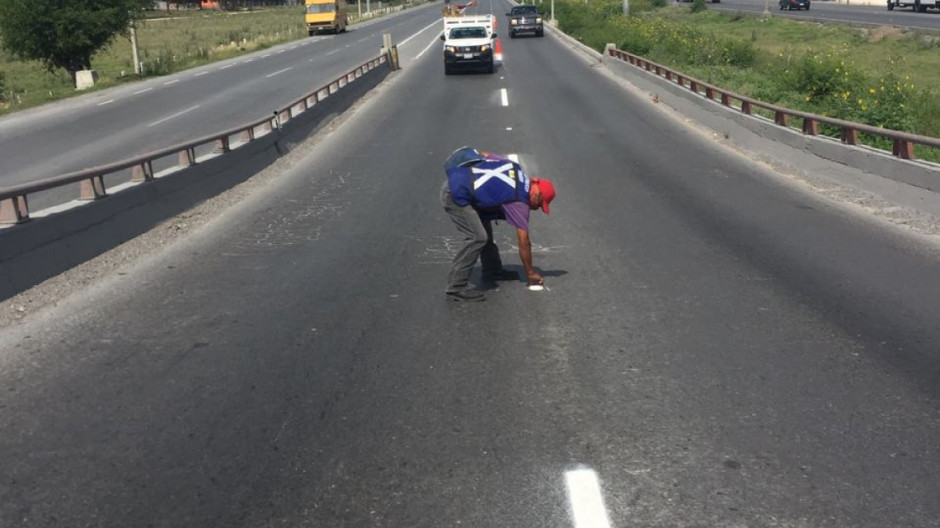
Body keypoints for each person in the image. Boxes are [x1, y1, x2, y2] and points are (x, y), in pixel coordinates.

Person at [440, 146, 556, 302]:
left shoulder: (514, 167)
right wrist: (529, 272)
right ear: (537, 192)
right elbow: (524, 242)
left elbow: (485, 154)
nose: (536, 208)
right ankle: (456, 286)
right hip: (455, 196)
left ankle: (492, 270)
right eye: (540, 204)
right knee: (478, 237)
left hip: (458, 185)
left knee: (483, 228)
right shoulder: (519, 201)